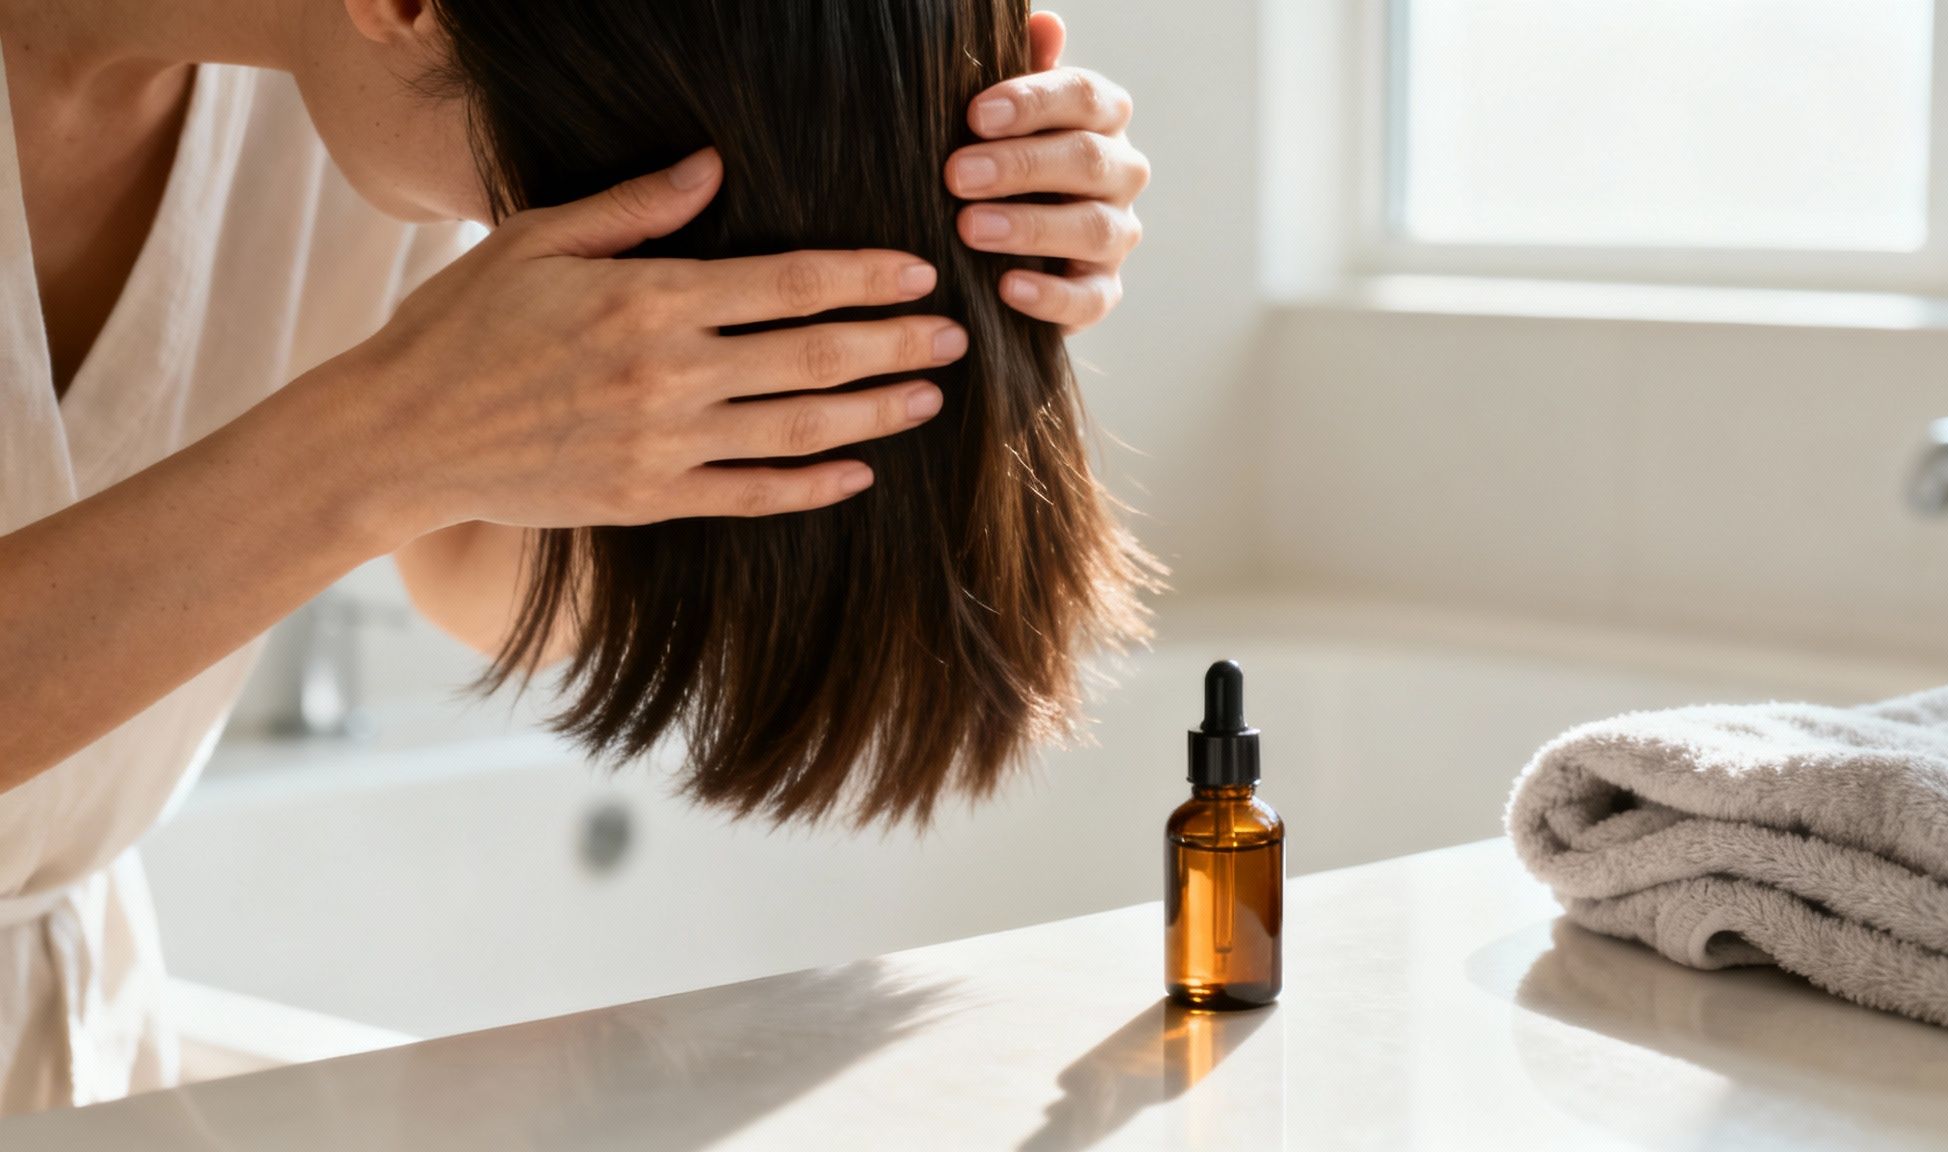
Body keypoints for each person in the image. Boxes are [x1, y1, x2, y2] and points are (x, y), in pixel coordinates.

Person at [0, 0, 1149, 1114]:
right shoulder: (401, 106)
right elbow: (398, 475)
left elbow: (479, 576)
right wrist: (374, 443)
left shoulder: (357, 105)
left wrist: (866, 327)